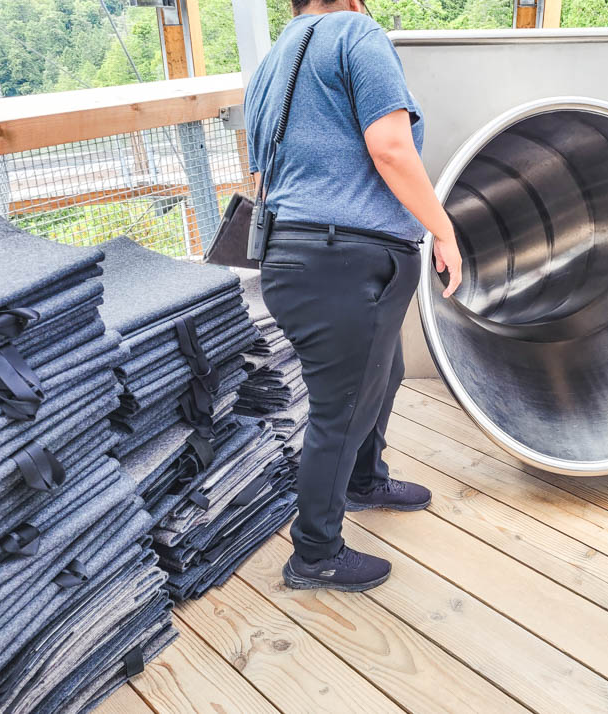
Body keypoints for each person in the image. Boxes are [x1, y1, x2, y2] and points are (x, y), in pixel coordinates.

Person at [244, 0, 462, 591]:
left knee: (382, 373)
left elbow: (261, 171)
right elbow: (390, 147)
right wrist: (442, 230)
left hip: (292, 254)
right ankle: (315, 552)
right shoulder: (356, 33)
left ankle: (365, 480)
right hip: (346, 257)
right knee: (340, 413)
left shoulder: (277, 57)